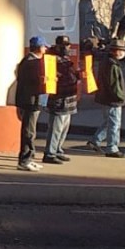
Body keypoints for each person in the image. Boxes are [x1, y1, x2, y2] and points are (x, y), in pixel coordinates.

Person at [43, 35, 80, 165]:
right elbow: (53, 78)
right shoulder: (52, 60)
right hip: (59, 98)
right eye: (63, 45)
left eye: (67, 45)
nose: (66, 47)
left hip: (69, 98)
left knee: (64, 127)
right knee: (56, 127)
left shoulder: (66, 59)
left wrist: (78, 75)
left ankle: (58, 149)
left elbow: (71, 75)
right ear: (57, 46)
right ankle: (50, 153)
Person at [88, 37, 125, 158]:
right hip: (112, 99)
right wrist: (121, 97)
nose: (123, 53)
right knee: (114, 124)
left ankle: (95, 141)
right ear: (116, 51)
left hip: (105, 97)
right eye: (122, 51)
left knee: (109, 122)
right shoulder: (112, 64)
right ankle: (112, 148)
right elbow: (114, 85)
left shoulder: (107, 61)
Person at [14, 36, 47, 171]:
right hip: (30, 101)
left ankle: (29, 158)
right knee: (29, 131)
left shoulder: (30, 61)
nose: (45, 49)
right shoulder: (31, 62)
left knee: (31, 131)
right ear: (39, 48)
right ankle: (25, 160)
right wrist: (43, 80)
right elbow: (31, 82)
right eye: (44, 47)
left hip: (32, 100)